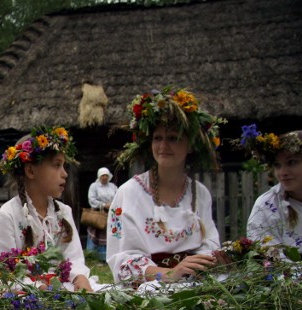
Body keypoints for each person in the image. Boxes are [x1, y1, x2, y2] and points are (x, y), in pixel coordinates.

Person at [107, 87, 227, 287]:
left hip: (194, 282)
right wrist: (171, 273)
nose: (163, 146)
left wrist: (206, 262)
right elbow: (121, 258)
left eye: (173, 138)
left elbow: (209, 244)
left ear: (190, 145)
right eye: (158, 138)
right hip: (149, 287)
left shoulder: (200, 193)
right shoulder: (129, 193)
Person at [0, 127, 95, 292]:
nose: (65, 174)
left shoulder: (64, 212)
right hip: (27, 293)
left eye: (64, 166)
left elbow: (74, 258)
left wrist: (80, 278)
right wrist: (39, 289)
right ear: (31, 171)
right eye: (56, 165)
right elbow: (6, 272)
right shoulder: (8, 215)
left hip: (62, 288)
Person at [242, 128, 302, 252]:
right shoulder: (267, 205)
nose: (282, 173)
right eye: (277, 165)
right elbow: (268, 259)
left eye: (291, 162)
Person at [86, 167, 118, 260]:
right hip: (98, 214)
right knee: (96, 234)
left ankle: (106, 257)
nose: (104, 177)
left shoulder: (112, 186)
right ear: (99, 176)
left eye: (106, 175)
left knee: (109, 234)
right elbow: (91, 199)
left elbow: (118, 196)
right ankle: (93, 256)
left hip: (111, 213)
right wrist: (103, 205)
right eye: (103, 175)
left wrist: (112, 204)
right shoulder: (94, 186)